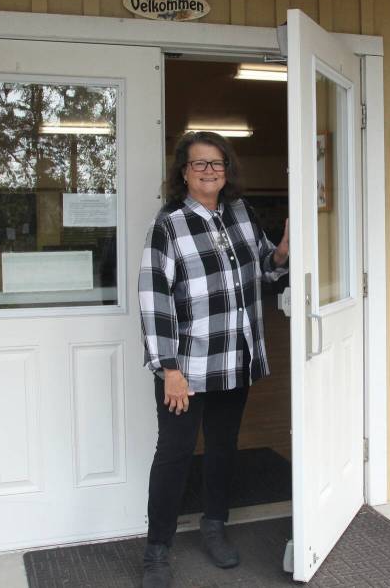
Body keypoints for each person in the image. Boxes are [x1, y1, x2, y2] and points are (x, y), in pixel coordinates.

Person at [137, 131, 289, 588]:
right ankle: (156, 551)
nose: (209, 171)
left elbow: (264, 268)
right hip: (187, 366)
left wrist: (281, 251)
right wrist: (169, 369)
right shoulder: (168, 225)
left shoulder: (241, 214)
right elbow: (154, 299)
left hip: (234, 357)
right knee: (175, 454)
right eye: (199, 164)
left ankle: (214, 526)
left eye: (217, 164)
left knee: (223, 449)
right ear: (183, 171)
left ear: (228, 171)